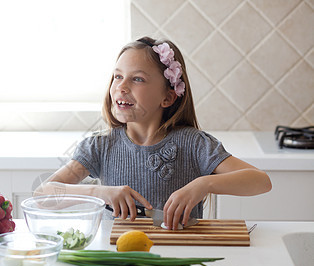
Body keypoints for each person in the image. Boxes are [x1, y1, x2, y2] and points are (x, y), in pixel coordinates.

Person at [35, 36, 272, 230]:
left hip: (179, 262)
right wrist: (99, 192)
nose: (122, 86)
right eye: (118, 76)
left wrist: (204, 184)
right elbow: (43, 195)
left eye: (137, 79)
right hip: (117, 265)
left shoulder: (194, 144)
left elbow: (261, 181)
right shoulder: (99, 146)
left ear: (167, 97)